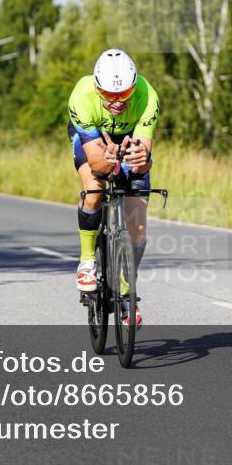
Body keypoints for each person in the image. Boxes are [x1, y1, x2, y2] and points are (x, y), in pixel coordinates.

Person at [67, 49, 159, 330]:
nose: (117, 102)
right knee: (94, 187)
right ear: (97, 88)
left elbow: (143, 164)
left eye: (124, 93)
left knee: (137, 227)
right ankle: (86, 261)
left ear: (135, 85)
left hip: (129, 138)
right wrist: (109, 161)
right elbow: (97, 164)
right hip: (93, 138)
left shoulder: (147, 96)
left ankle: (127, 290)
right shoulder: (82, 96)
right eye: (109, 94)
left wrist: (142, 161)